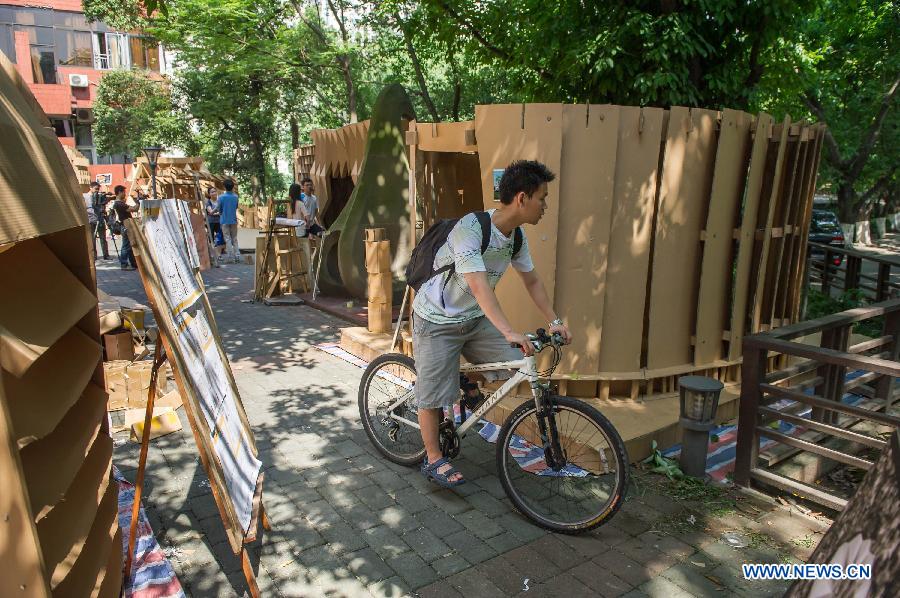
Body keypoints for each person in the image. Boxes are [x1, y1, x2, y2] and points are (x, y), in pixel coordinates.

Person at [412, 160, 572, 488]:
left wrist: (554, 321)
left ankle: (463, 382)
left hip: (472, 318)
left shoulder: (515, 237)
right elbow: (478, 285)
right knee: (431, 395)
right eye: (543, 198)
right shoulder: (471, 229)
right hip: (436, 319)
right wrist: (508, 329)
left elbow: (532, 282)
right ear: (522, 198)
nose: (546, 205)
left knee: (514, 362)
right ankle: (433, 458)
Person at [111, 184, 139, 270]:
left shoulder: (119, 203)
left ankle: (133, 263)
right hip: (124, 225)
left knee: (129, 245)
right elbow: (134, 209)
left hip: (125, 225)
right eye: (124, 192)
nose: (125, 194)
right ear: (119, 192)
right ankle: (124, 264)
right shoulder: (119, 204)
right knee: (126, 245)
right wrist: (138, 201)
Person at [84, 181, 110, 260]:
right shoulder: (85, 196)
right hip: (91, 220)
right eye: (96, 189)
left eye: (98, 189)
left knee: (103, 238)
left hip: (100, 219)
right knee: (93, 239)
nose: (97, 191)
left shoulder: (100, 196)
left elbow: (103, 205)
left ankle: (106, 255)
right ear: (90, 188)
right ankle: (94, 256)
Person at [216, 178, 240, 263]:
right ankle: (237, 256)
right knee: (234, 238)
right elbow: (236, 207)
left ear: (224, 187)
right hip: (233, 220)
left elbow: (219, 208)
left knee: (228, 238)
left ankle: (230, 257)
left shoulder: (221, 197)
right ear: (233, 187)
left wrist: (214, 211)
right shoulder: (236, 196)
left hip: (224, 220)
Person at [205, 187, 225, 255]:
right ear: (209, 194)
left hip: (219, 221)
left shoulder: (220, 201)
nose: (214, 193)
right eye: (212, 192)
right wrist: (219, 213)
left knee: (220, 237)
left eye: (215, 191)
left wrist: (216, 213)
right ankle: (212, 253)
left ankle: (219, 254)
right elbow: (210, 212)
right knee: (211, 237)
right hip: (211, 222)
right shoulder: (208, 202)